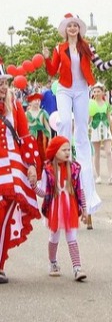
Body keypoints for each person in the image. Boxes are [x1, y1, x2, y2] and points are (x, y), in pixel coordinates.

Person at [43, 13, 112, 229]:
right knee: (63, 121)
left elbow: (101, 66)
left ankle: (79, 155)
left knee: (82, 132)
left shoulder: (87, 47)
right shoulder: (59, 48)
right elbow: (52, 71)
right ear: (65, 29)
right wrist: (46, 56)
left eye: (75, 26)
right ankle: (62, 148)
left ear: (79, 29)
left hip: (82, 90)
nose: (72, 28)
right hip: (64, 89)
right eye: (69, 26)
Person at [0, 60, 42, 284]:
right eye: (0, 84)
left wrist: (32, 165)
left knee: (5, 212)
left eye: (4, 83)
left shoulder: (14, 105)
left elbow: (25, 137)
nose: (3, 87)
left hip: (12, 168)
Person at [33, 136, 88, 281]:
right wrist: (33, 186)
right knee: (54, 237)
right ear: (54, 151)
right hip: (54, 208)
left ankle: (77, 268)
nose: (67, 152)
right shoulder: (48, 170)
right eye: (63, 149)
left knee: (72, 238)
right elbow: (44, 192)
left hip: (71, 208)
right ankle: (53, 262)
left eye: (69, 149)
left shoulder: (75, 168)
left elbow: (80, 190)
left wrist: (85, 209)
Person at [89, 83, 112, 185]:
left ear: (103, 93)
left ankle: (111, 175)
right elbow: (89, 118)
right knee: (97, 153)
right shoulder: (91, 104)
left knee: (108, 152)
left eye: (98, 91)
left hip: (105, 128)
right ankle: (98, 176)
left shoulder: (106, 104)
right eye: (94, 91)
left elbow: (109, 118)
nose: (96, 93)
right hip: (95, 128)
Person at [26, 92, 51, 176]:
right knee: (33, 156)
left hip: (42, 137)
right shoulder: (27, 114)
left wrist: (50, 138)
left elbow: (47, 126)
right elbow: (25, 128)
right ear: (30, 102)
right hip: (31, 136)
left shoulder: (43, 112)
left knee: (43, 155)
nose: (37, 102)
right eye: (35, 100)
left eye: (38, 100)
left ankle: (45, 174)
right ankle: (36, 174)